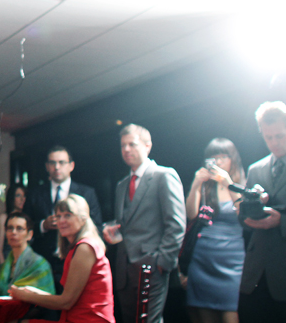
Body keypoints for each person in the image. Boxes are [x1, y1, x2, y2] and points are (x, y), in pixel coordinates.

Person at [102, 124, 186, 323]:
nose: (127, 149)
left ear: (148, 146)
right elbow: (126, 223)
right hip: (124, 270)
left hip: (152, 267)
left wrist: (162, 263)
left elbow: (176, 224)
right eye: (123, 146)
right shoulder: (122, 185)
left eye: (132, 144)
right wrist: (111, 230)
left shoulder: (163, 175)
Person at [10, 195, 114, 323]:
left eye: (68, 215)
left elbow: (66, 302)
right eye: (58, 216)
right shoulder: (80, 247)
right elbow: (67, 299)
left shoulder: (85, 248)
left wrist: (26, 296)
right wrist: (32, 292)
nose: (61, 221)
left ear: (83, 218)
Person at [183, 138, 245, 323]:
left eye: (223, 157)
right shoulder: (206, 185)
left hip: (232, 258)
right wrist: (196, 184)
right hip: (204, 256)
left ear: (233, 158)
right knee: (204, 315)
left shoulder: (242, 182)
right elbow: (191, 214)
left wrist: (229, 184)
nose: (218, 162)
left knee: (231, 313)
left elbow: (244, 215)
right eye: (213, 158)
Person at [26, 146, 102, 291]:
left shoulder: (87, 193)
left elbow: (96, 226)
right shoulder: (35, 193)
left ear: (71, 165)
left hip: (77, 259)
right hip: (43, 262)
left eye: (61, 162)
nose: (57, 167)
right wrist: (43, 225)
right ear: (47, 166)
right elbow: (25, 226)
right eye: (52, 163)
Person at [238, 101, 286, 320]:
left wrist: (281, 221)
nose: (274, 142)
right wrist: (248, 213)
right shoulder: (255, 169)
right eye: (268, 137)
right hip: (257, 270)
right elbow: (242, 218)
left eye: (280, 135)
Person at [0, 211, 54, 297]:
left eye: (19, 228)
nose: (13, 232)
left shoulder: (40, 265)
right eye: (10, 228)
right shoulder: (3, 268)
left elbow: (48, 300)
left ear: (29, 235)